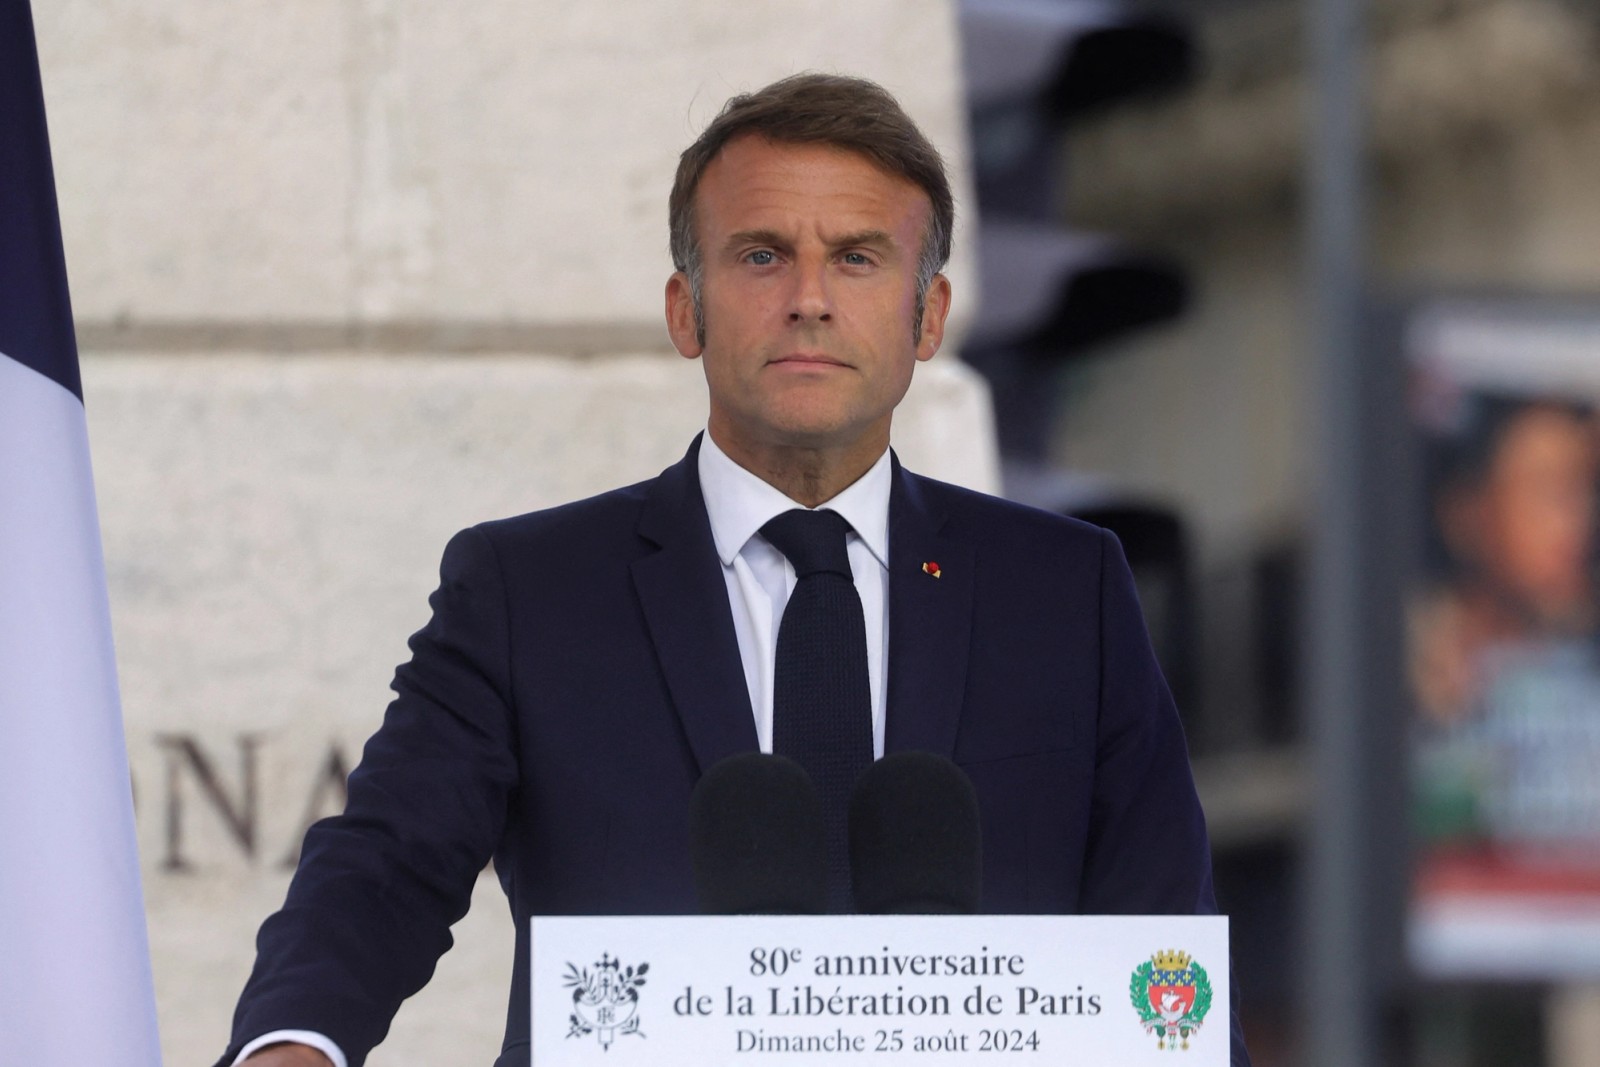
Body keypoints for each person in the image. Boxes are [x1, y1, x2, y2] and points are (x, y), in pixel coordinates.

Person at [220, 73, 1244, 1067]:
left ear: (928, 316)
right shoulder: (529, 590)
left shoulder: (1063, 592)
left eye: (856, 257)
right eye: (762, 256)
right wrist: (296, 1039)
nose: (809, 300)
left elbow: (1163, 945)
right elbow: (388, 858)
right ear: (686, 309)